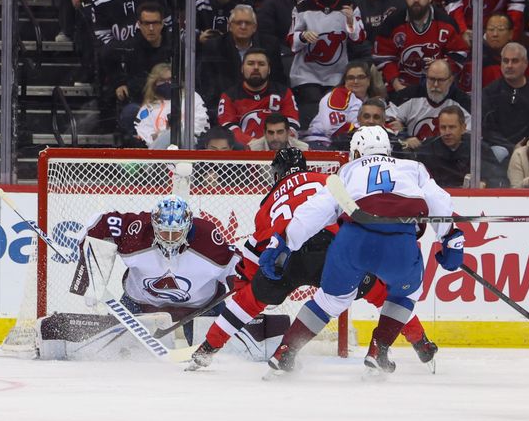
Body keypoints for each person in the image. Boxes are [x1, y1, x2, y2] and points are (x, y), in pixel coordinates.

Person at [187, 146, 440, 370]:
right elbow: (355, 213)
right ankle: (420, 343)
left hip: (287, 255)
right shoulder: (331, 178)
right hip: (332, 251)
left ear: (276, 174)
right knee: (382, 293)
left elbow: (254, 253)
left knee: (248, 301)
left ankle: (206, 350)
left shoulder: (267, 204)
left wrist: (251, 286)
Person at [258, 127, 461, 376]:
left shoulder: (346, 171)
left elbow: (314, 212)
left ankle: (285, 352)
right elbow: (439, 203)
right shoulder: (412, 168)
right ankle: (378, 350)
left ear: (355, 152)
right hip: (398, 241)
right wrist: (450, 237)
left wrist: (285, 243)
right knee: (405, 293)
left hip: (353, 239)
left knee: (330, 300)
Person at [55, 195, 254, 358]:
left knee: (227, 358)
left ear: (187, 227)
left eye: (175, 234)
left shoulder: (208, 240)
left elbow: (237, 267)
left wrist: (253, 294)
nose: (169, 239)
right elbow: (98, 223)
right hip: (140, 302)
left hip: (202, 307)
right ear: (154, 225)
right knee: (117, 355)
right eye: (164, 233)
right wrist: (92, 278)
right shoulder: (137, 230)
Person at [287, 0, 367, 117]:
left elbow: (360, 38)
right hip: (306, 74)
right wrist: (303, 36)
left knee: (333, 107)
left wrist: (350, 22)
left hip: (336, 74)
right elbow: (291, 42)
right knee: (312, 106)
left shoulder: (348, 4)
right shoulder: (303, 7)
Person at [373, 0, 468, 93]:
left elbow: (460, 54)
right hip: (402, 88)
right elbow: (384, 59)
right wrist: (398, 86)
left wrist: (442, 65)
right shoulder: (392, 23)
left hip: (439, 88)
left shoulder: (447, 23)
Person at [482, 42, 529, 163]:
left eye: (515, 61)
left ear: (525, 64)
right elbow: (487, 130)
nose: (509, 65)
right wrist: (512, 148)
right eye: (505, 61)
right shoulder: (490, 93)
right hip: (502, 149)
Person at [106, 3, 172, 138]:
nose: (151, 28)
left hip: (171, 103)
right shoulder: (130, 47)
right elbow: (106, 55)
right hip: (141, 102)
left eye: (155, 23)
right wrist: (119, 82)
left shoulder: (175, 46)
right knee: (130, 112)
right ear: (139, 24)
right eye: (146, 23)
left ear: (162, 23)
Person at [217, 48, 300, 147]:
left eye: (261, 64)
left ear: (269, 69)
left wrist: (271, 144)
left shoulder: (284, 93)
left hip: (278, 148)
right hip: (244, 152)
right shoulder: (229, 96)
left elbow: (292, 124)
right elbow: (227, 128)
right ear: (242, 68)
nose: (256, 68)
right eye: (251, 63)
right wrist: (256, 144)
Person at [386, 59, 472, 150]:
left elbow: (470, 137)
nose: (435, 85)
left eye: (441, 80)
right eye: (431, 79)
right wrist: (404, 138)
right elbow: (385, 122)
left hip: (449, 159)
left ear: (450, 80)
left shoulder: (463, 102)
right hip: (412, 157)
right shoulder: (408, 95)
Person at [416, 105, 508, 187]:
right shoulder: (427, 149)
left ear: (463, 128)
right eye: (443, 127)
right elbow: (414, 177)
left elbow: (500, 180)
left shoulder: (477, 148)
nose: (447, 132)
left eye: (452, 127)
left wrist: (485, 184)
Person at [303, 61, 384, 150]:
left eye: (361, 77)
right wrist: (362, 130)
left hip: (356, 143)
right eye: (351, 78)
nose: (356, 81)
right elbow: (332, 129)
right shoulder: (338, 95)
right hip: (322, 142)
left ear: (368, 80)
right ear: (345, 81)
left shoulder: (374, 100)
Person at [133, 63, 210, 149]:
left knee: (171, 135)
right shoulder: (148, 107)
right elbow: (143, 131)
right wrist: (159, 136)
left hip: (189, 146)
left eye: (170, 80)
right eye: (162, 80)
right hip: (157, 150)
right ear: (154, 83)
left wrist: (168, 134)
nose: (167, 83)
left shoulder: (191, 97)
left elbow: (200, 123)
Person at [457, 12, 529, 92]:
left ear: (511, 34)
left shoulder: (524, 57)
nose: (495, 34)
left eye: (501, 29)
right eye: (491, 29)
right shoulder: (476, 58)